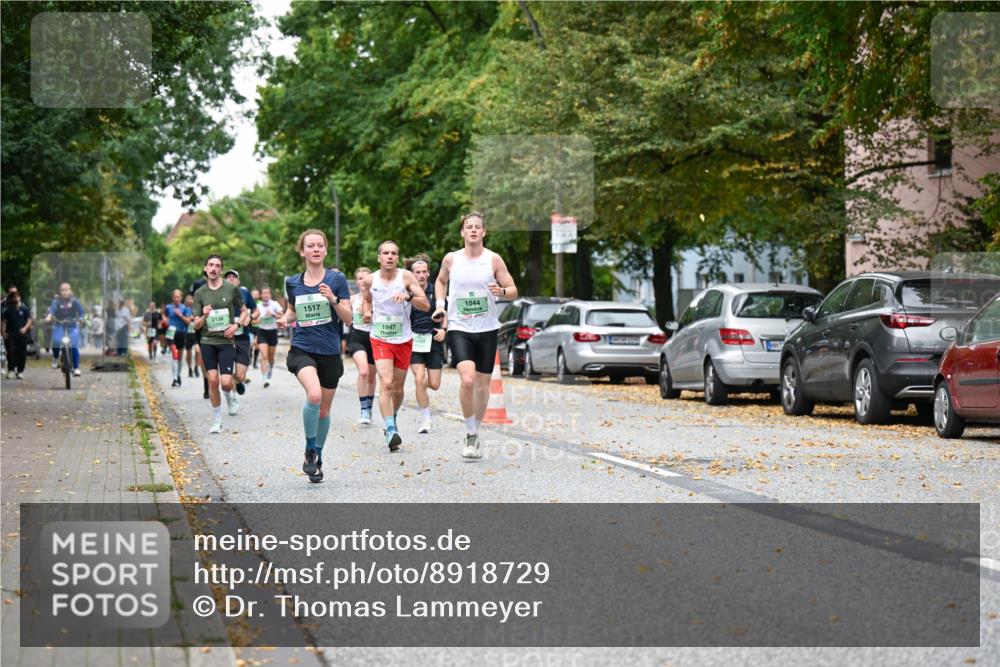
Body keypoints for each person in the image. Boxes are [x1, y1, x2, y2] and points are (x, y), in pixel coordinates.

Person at [433, 212, 518, 460]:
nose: (472, 230)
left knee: (482, 384)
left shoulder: (493, 259)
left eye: (477, 227)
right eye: (468, 227)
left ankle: (475, 428)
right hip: (460, 327)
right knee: (468, 379)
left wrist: (501, 290)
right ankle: (470, 433)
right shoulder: (451, 259)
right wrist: (440, 304)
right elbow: (440, 281)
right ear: (462, 232)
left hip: (487, 328)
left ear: (483, 232)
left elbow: (513, 290)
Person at [278, 229, 352, 483]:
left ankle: (317, 457)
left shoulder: (337, 279)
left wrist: (333, 299)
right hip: (303, 348)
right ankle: (310, 450)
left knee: (324, 411)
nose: (316, 249)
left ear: (326, 250)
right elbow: (292, 311)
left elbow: (349, 317)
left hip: (330, 351)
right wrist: (284, 319)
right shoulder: (293, 283)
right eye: (311, 246)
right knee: (315, 395)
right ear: (303, 251)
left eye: (320, 245)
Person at [360, 241, 429, 452]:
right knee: (387, 382)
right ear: (379, 257)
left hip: (404, 339)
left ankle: (393, 417)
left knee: (398, 388)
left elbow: (425, 304)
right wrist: (367, 312)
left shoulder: (406, 277)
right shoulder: (370, 280)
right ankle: (390, 429)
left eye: (393, 253)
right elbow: (366, 300)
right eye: (385, 253)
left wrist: (408, 296)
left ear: (397, 258)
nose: (389, 256)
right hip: (380, 338)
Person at [192, 255, 246, 434]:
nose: (214, 268)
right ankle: (217, 420)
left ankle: (230, 396)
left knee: (226, 382)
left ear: (221, 270)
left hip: (226, 341)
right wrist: (204, 316)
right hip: (207, 341)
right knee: (212, 380)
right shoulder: (199, 293)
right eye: (211, 265)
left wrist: (237, 325)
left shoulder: (231, 289)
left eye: (217, 266)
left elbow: (245, 312)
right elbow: (195, 325)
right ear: (205, 268)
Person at [406, 255, 447, 434]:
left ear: (428, 273)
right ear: (412, 274)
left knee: (434, 384)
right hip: (415, 341)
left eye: (424, 272)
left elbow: (445, 311)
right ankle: (426, 419)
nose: (421, 275)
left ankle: (423, 387)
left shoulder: (435, 290)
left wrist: (444, 329)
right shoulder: (408, 292)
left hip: (433, 340)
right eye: (418, 272)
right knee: (419, 379)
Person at [347, 267, 378, 425]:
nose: (363, 281)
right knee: (364, 372)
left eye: (366, 278)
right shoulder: (352, 300)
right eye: (359, 278)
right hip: (357, 337)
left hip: (374, 338)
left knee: (372, 376)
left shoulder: (378, 299)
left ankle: (369, 406)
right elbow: (343, 315)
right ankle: (363, 409)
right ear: (356, 282)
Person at [223, 270, 256, 395]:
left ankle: (237, 382)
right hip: (226, 338)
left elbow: (256, 310)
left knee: (241, 375)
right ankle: (231, 397)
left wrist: (250, 317)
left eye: (233, 277)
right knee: (226, 373)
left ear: (238, 281)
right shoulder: (218, 294)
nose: (231, 279)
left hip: (242, 338)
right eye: (228, 277)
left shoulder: (244, 293)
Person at [45, 282, 85, 375]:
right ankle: (55, 358)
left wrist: (82, 318)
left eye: (67, 290)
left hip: (72, 325)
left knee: (74, 346)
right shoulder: (56, 301)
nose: (65, 292)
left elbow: (81, 310)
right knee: (56, 341)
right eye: (63, 290)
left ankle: (76, 368)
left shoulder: (75, 301)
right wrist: (49, 316)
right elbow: (52, 309)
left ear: (70, 291)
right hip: (59, 325)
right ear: (60, 292)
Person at [255, 285, 283, 388]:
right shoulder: (257, 306)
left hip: (272, 332)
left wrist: (273, 315)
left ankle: (270, 368)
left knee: (271, 357)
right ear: (261, 295)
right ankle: (264, 378)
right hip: (262, 332)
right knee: (264, 356)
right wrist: (260, 319)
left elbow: (283, 316)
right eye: (264, 293)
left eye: (267, 293)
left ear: (270, 295)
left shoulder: (275, 304)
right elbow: (253, 321)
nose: (266, 295)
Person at [164, 290, 194, 387]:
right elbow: (164, 316)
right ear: (172, 298)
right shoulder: (168, 307)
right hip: (171, 332)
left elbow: (188, 322)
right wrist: (165, 321)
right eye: (175, 297)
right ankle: (174, 378)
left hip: (181, 333)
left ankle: (178, 375)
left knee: (180, 357)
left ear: (181, 298)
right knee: (174, 354)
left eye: (178, 297)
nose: (176, 299)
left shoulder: (185, 308)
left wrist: (180, 315)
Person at [2, 289, 32, 379]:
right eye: (14, 297)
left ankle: (20, 371)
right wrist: (3, 331)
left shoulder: (24, 309)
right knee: (10, 352)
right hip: (10, 334)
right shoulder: (9, 310)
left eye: (17, 297)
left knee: (21, 353)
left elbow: (29, 320)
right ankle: (11, 370)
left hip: (22, 335)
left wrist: (25, 328)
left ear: (20, 297)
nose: (16, 298)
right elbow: (3, 321)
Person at [188, 275, 210, 399]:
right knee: (203, 356)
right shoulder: (197, 284)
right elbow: (189, 299)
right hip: (201, 326)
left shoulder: (220, 285)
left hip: (217, 325)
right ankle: (206, 382)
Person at [184, 293, 202, 380]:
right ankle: (190, 368)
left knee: (198, 351)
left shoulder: (197, 308)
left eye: (192, 299)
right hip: (188, 333)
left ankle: (196, 367)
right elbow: (186, 320)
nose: (190, 301)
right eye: (188, 299)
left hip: (196, 333)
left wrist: (193, 318)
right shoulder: (185, 309)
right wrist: (190, 318)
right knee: (188, 353)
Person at [250, 287, 261, 369]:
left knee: (256, 345)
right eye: (253, 294)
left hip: (258, 327)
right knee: (250, 345)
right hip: (249, 327)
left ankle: (254, 362)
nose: (255, 296)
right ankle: (249, 358)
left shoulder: (260, 303)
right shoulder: (248, 303)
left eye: (256, 294)